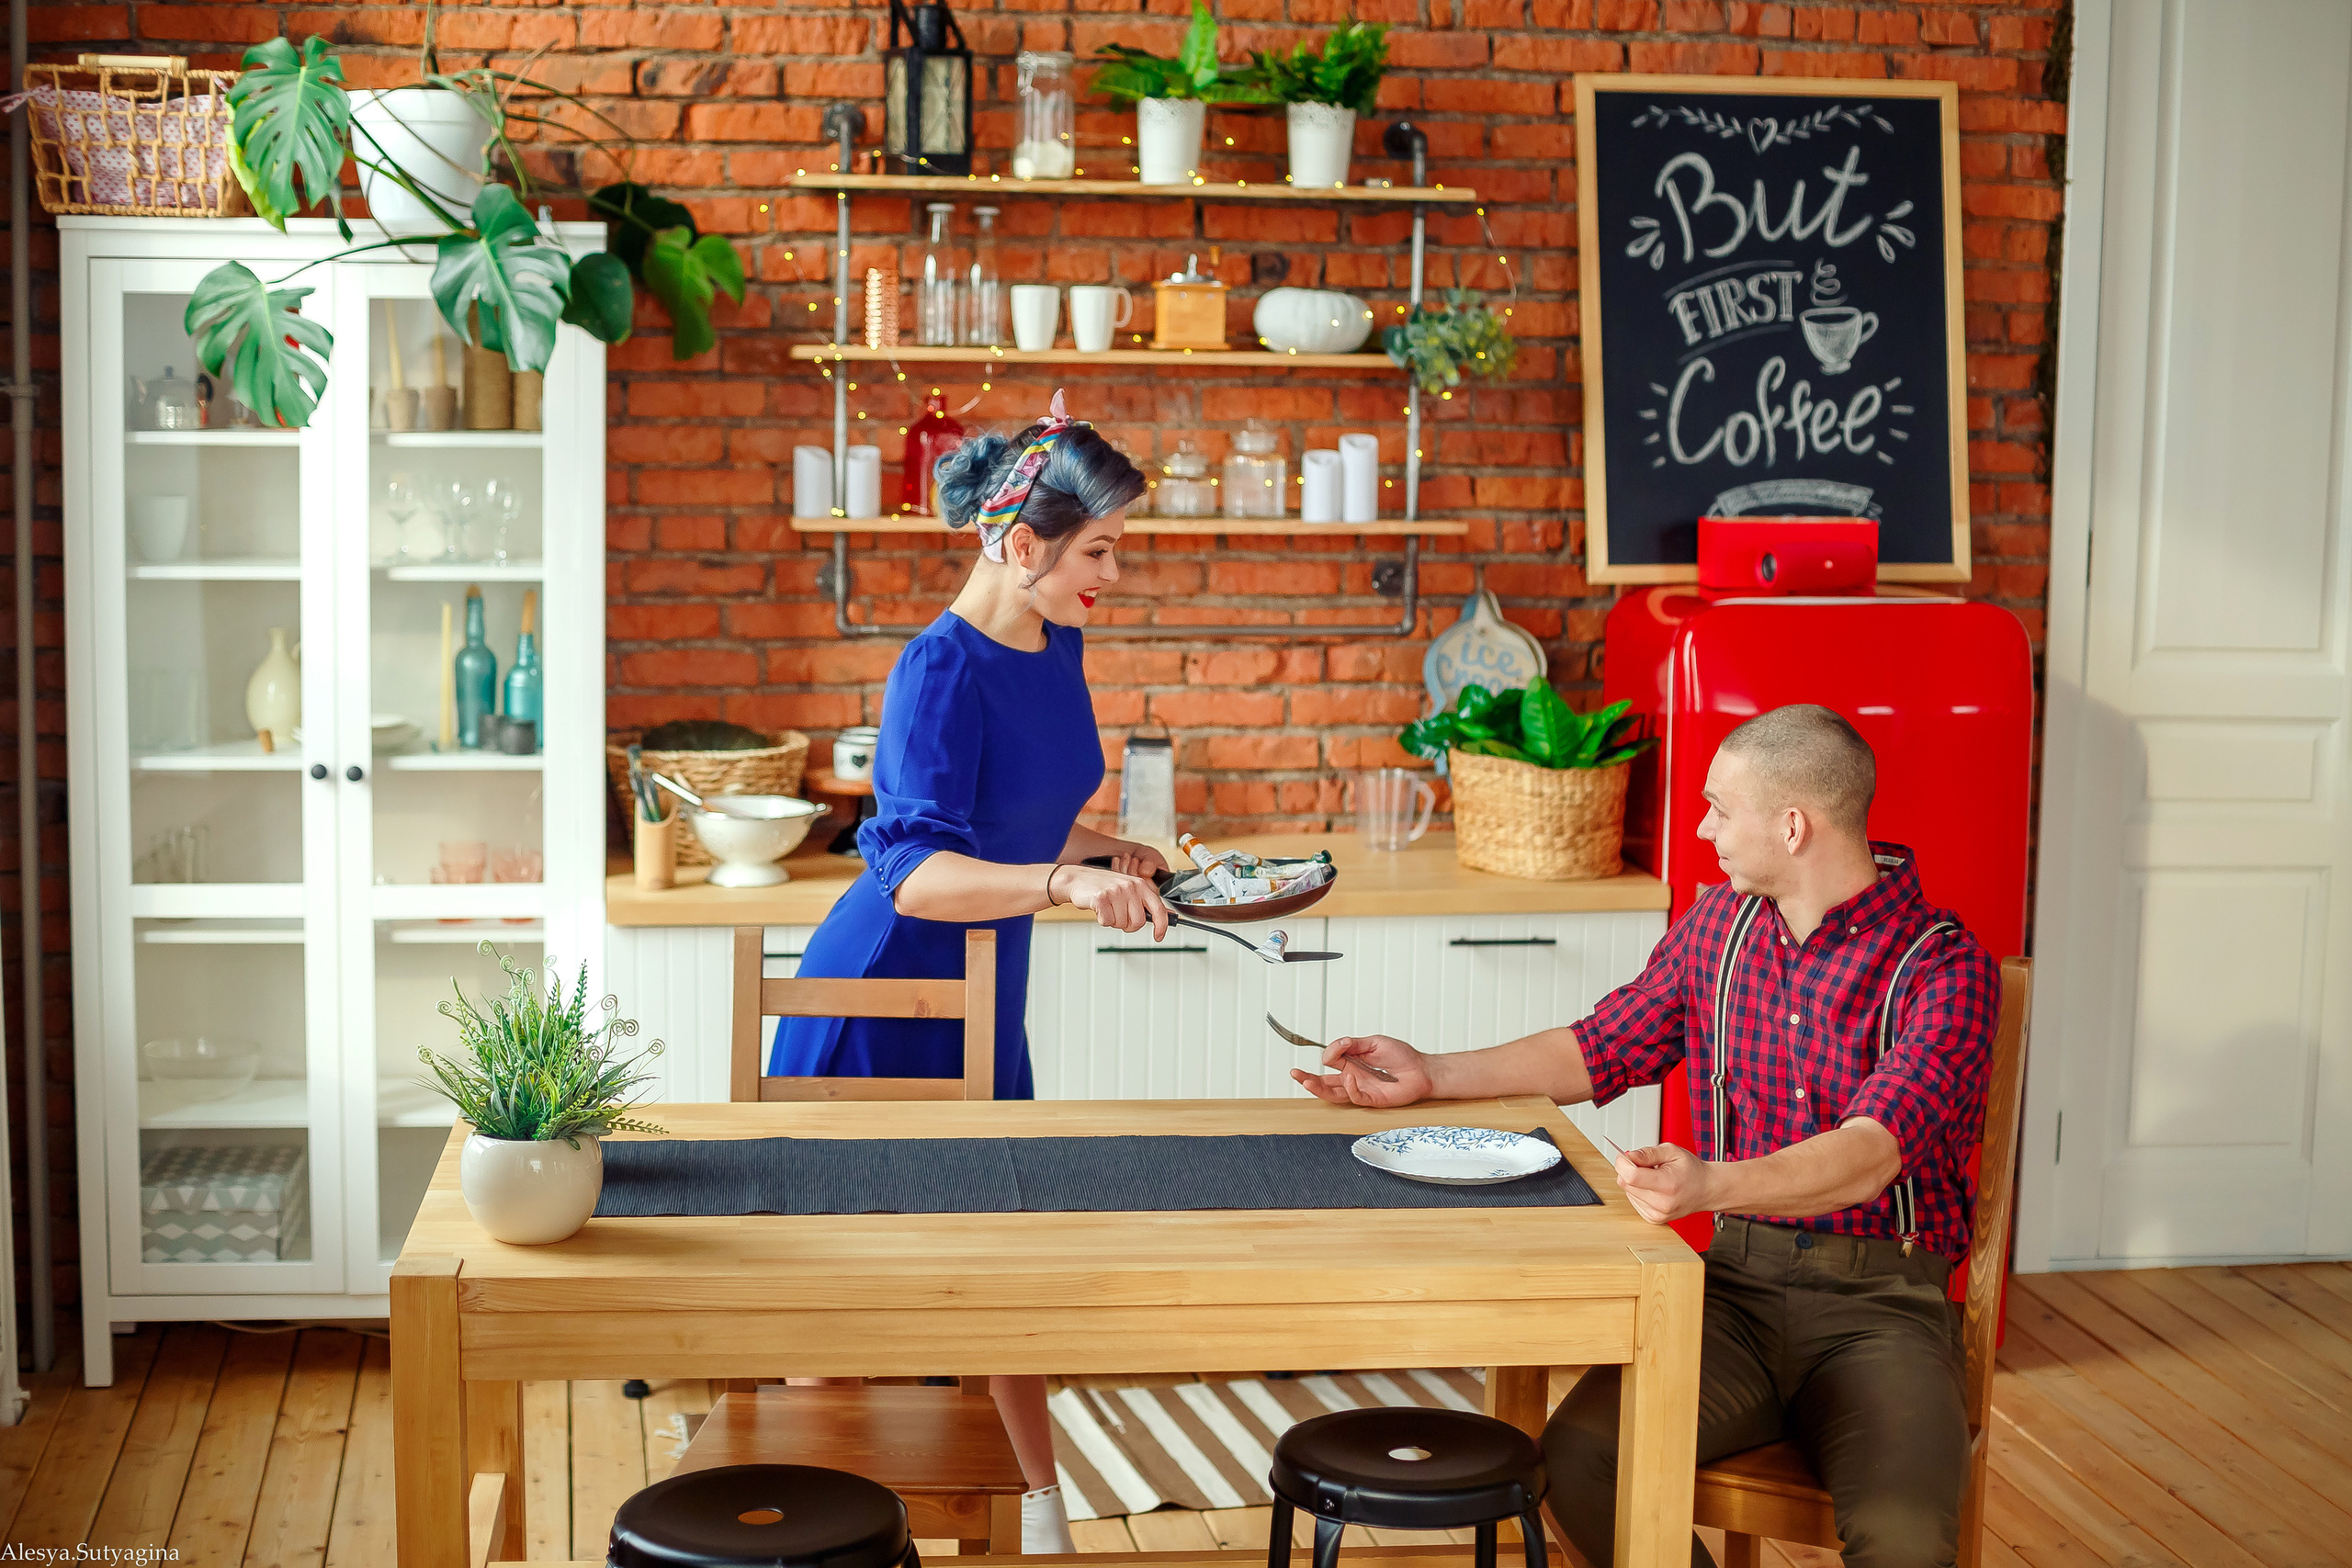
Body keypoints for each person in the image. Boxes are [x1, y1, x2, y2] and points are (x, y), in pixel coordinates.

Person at [1294, 705, 1997, 1568]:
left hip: (1883, 1313)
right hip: (1732, 1295)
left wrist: (1712, 1184)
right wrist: (1432, 1072)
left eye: (1718, 808)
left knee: (1905, 1538)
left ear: (1792, 824)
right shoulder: (1717, 929)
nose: (1701, 829)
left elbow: (1869, 1153)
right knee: (1577, 1462)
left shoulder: (1943, 965)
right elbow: (1598, 1049)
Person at [771, 390, 1177, 1552]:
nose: (1114, 572)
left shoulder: (1058, 644)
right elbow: (912, 872)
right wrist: (1062, 886)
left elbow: (1026, 818)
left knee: (1008, 1248)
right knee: (843, 1298)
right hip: (884, 989)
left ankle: (1040, 1512)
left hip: (986, 984)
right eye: (1099, 550)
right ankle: (821, 1527)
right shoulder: (936, 671)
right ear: (1020, 546)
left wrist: (1106, 852)